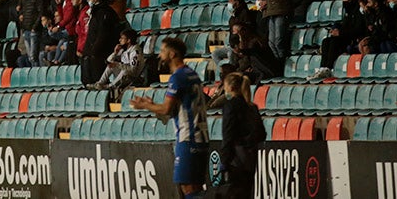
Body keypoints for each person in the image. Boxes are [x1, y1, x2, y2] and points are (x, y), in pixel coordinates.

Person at [129, 37, 209, 198]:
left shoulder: (178, 77)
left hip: (189, 138)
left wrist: (144, 105)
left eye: (163, 50)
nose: (160, 54)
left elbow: (166, 108)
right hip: (200, 137)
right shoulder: (191, 74)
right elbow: (176, 109)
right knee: (195, 187)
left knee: (188, 188)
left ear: (172, 54)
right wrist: (153, 106)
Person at [219, 72, 266, 197]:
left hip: (236, 160)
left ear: (231, 87)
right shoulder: (252, 107)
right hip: (250, 159)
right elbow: (262, 133)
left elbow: (228, 134)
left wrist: (224, 160)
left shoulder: (230, 106)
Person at [87, 28, 145, 92]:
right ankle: (100, 84)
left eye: (122, 38)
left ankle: (110, 87)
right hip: (123, 76)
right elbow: (108, 61)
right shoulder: (123, 49)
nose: (120, 40)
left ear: (128, 40)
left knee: (124, 70)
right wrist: (115, 52)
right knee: (112, 66)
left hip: (133, 77)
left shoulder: (135, 51)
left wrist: (117, 65)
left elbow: (133, 70)